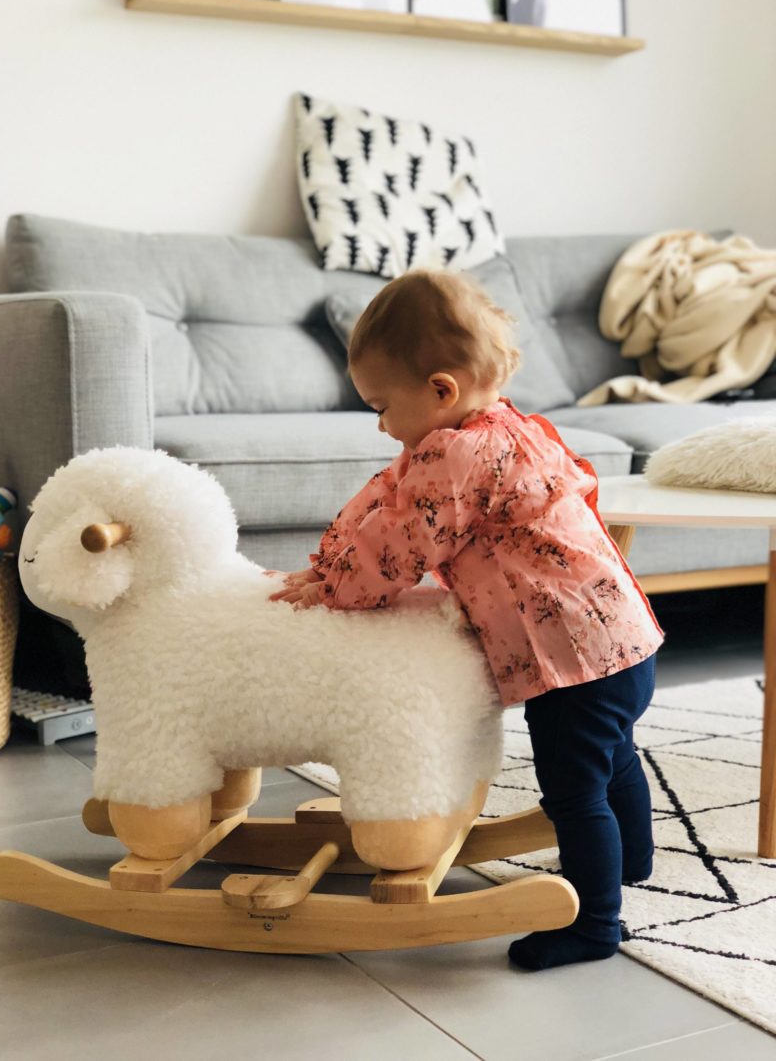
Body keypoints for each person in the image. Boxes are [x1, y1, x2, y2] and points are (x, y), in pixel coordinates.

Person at [269, 268, 665, 970]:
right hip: (626, 640)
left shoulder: (458, 458)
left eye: (381, 406)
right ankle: (632, 861)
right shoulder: (502, 428)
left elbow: (399, 546)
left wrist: (336, 591)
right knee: (615, 758)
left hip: (569, 661)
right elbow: (385, 498)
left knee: (574, 790)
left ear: (441, 390)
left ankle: (595, 924)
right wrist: (328, 563)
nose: (381, 425)